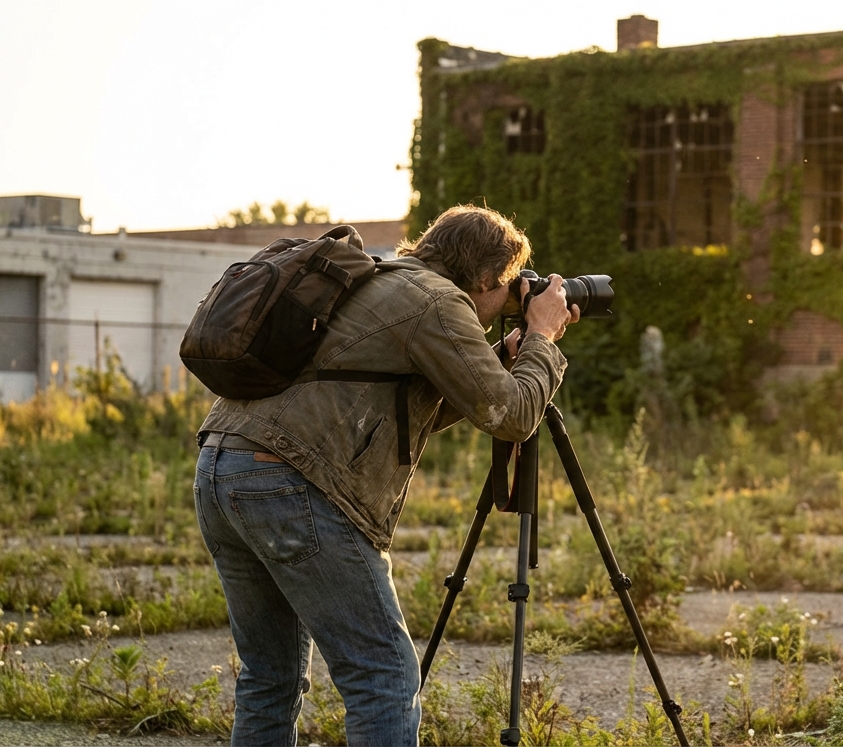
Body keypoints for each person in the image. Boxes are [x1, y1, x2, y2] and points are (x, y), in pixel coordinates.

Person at [192, 204, 576, 746]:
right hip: (289, 483)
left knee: (269, 677)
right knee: (385, 677)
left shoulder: (377, 281)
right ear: (490, 277)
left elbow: (409, 406)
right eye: (511, 284)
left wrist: (502, 356)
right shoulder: (439, 302)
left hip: (223, 469)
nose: (509, 298)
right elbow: (509, 417)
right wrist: (542, 337)